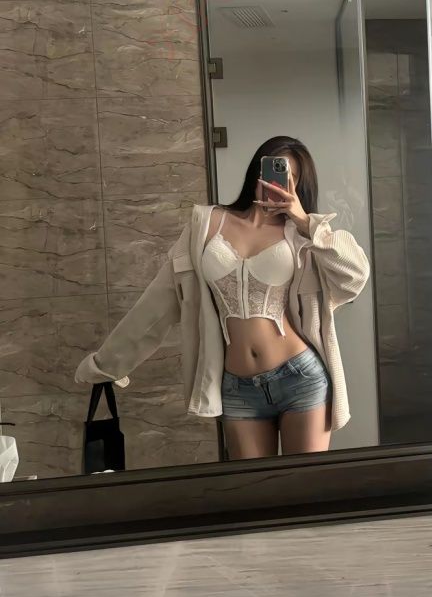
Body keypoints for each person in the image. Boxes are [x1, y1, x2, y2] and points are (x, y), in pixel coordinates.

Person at [75, 136, 370, 461]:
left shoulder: (301, 237)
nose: (280, 184)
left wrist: (304, 221)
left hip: (299, 377)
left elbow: (354, 276)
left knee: (303, 487)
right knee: (255, 489)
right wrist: (107, 363)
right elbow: (160, 300)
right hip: (238, 388)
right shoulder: (205, 225)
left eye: (291, 177)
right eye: (275, 170)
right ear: (258, 170)